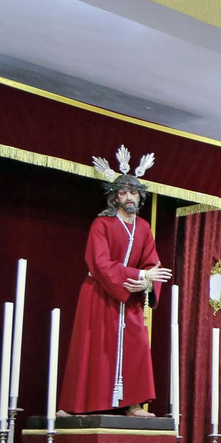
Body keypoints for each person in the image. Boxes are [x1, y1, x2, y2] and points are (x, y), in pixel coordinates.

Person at [59, 155, 172, 416]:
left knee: (136, 346)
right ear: (115, 197)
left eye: (133, 192)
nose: (129, 197)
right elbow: (98, 263)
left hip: (130, 297)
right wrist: (140, 277)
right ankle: (79, 405)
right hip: (100, 294)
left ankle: (133, 404)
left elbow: (151, 262)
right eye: (123, 193)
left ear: (140, 196)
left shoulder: (143, 227)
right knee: (94, 346)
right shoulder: (102, 224)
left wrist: (145, 280)